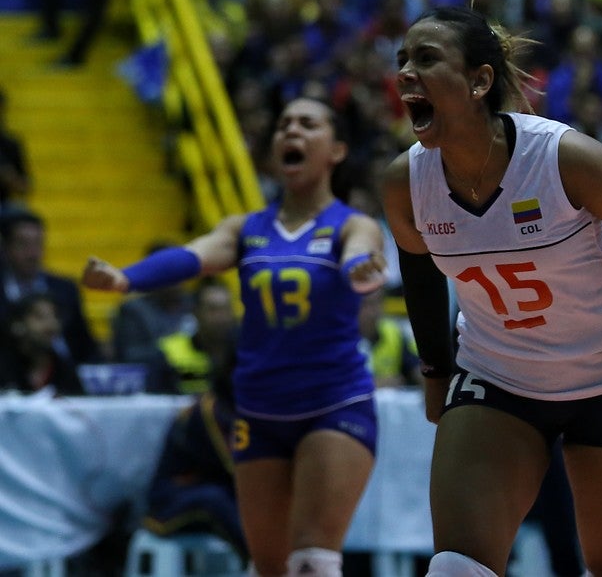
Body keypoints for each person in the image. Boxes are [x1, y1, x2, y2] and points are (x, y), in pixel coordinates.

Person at [380, 6, 602, 577]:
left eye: (425, 59)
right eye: (402, 60)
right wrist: (434, 371)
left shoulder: (561, 157)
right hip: (498, 378)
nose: (405, 73)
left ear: (480, 81)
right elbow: (420, 273)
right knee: (454, 569)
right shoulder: (405, 181)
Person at [81, 96, 387, 577]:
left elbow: (362, 254)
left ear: (337, 150)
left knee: (312, 560)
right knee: (267, 567)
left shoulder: (352, 224)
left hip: (333, 403)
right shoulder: (246, 228)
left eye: (308, 124)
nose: (291, 132)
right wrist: (126, 278)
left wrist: (361, 271)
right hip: (258, 410)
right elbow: (194, 254)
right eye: (284, 123)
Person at [142, 357, 248, 563]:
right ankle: (266, 565)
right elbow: (235, 468)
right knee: (217, 500)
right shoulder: (209, 409)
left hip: (216, 487)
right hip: (171, 499)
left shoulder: (243, 407)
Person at [0, 207, 100, 365]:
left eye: (38, 244)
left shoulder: (65, 289)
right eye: (23, 244)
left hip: (66, 377)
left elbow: (86, 346)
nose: (33, 254)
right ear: (5, 247)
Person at [110, 240, 197, 367]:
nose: (178, 279)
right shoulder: (133, 310)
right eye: (170, 272)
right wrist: (172, 348)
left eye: (181, 271)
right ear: (153, 275)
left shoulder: (195, 303)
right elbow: (129, 355)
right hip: (157, 381)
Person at [149, 277, 239, 395]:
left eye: (226, 308)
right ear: (195, 312)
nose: (221, 317)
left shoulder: (247, 353)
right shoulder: (169, 352)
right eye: (213, 309)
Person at [0, 292, 83, 396]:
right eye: (40, 317)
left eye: (55, 316)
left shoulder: (64, 369)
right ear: (17, 325)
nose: (51, 325)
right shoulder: (4, 366)